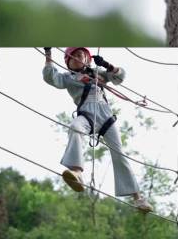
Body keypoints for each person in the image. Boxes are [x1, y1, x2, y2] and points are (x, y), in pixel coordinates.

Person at [42, 47, 152, 213]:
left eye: (81, 55)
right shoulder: (68, 78)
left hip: (105, 115)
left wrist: (107, 65)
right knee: (75, 127)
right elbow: (50, 77)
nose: (78, 58)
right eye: (74, 57)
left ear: (87, 58)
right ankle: (77, 172)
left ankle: (138, 198)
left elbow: (119, 77)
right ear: (68, 62)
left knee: (119, 153)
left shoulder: (97, 73)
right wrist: (48, 55)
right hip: (86, 113)